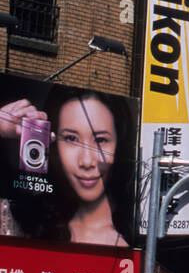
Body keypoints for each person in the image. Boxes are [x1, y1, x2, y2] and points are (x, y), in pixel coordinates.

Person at [0, 87, 133, 246]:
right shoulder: (21, 223)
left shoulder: (138, 240)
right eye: (71, 138)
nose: (86, 161)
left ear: (120, 145)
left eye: (100, 140)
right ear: (53, 143)